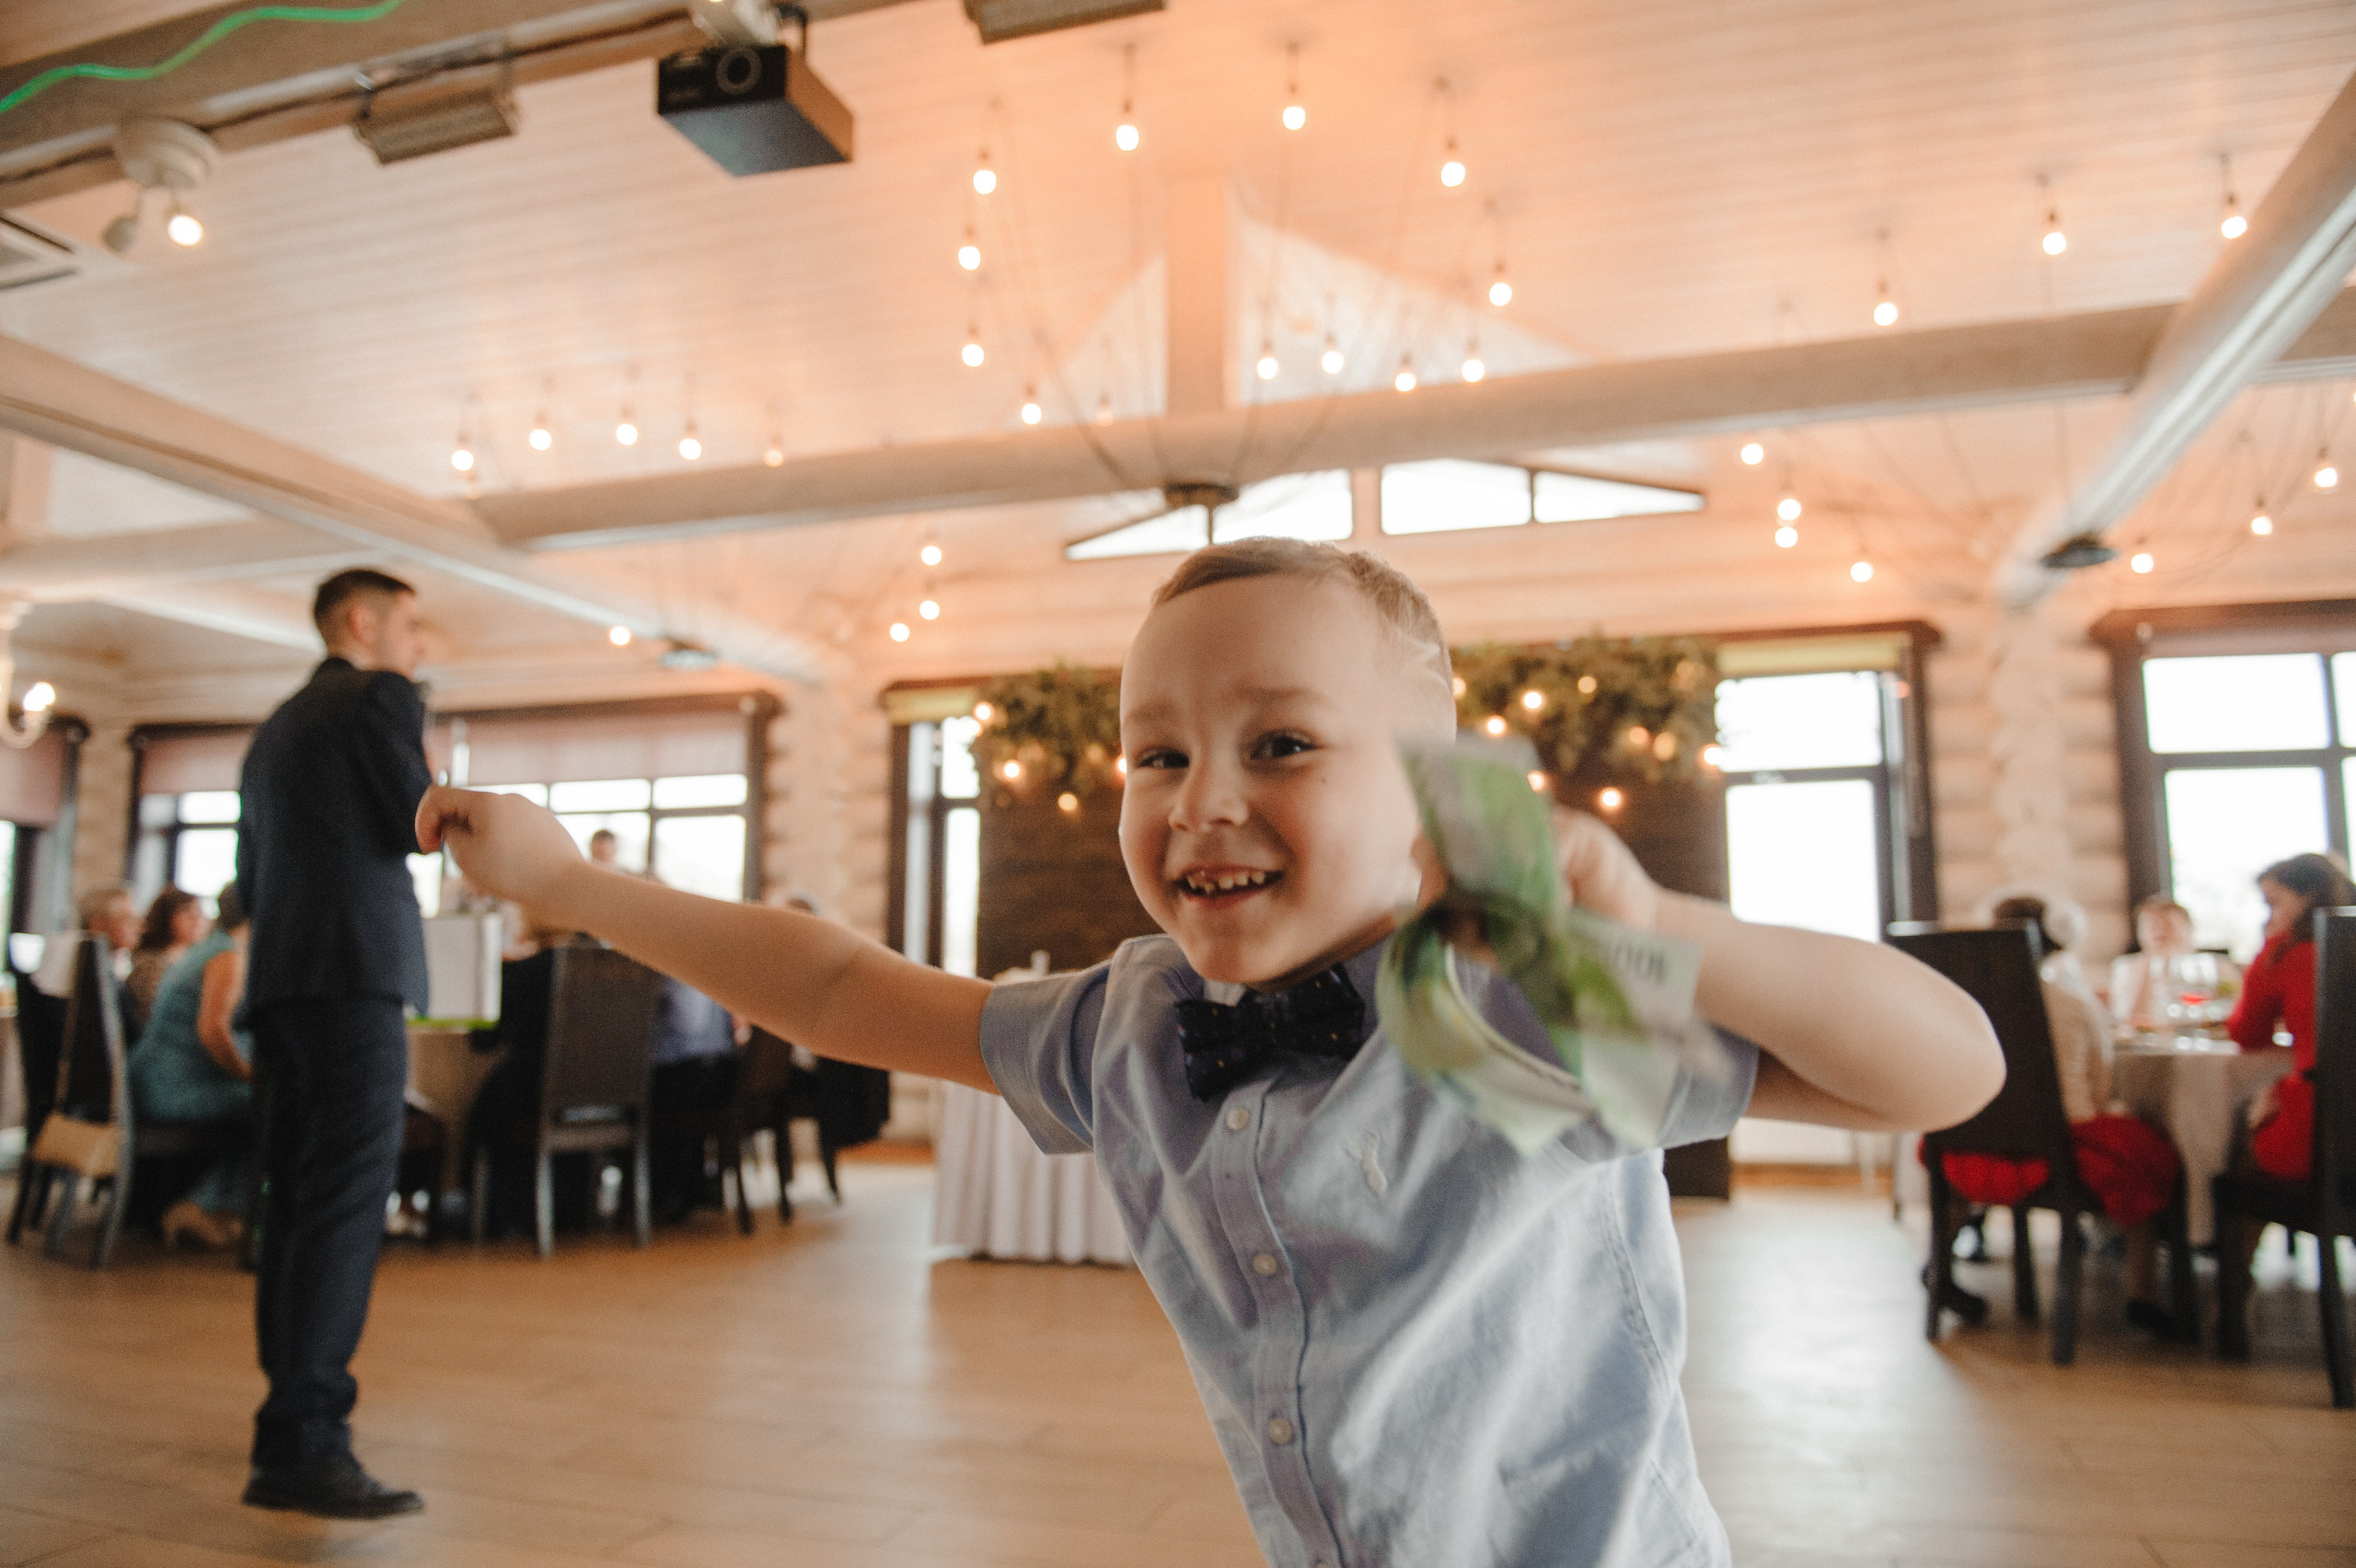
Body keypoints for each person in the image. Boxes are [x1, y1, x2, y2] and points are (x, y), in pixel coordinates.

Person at [417, 538, 2002, 1567]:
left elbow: (1946, 1071)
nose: (1199, 798)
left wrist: (1668, 921)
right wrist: (570, 885)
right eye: (1156, 753)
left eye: (1284, 741)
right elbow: (839, 986)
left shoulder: (1517, 1004)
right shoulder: (1127, 1026)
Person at [234, 568, 432, 1521]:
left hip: (281, 985)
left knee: (297, 1203)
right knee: (350, 1202)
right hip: (356, 974)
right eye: (409, 625)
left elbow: (247, 877)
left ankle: (289, 1429)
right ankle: (307, 1440)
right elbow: (416, 820)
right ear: (362, 621)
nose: (418, 646)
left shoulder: (273, 730)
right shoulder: (379, 696)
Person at [1970, 894, 2183, 1333]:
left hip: (1980, 1141)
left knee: (1960, 1142)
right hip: (2064, 1145)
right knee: (2147, 1155)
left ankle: (1942, 1261)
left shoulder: (1968, 1005)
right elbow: (2100, 1092)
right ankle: (2140, 1292)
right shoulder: (2075, 1007)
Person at [129, 885, 254, 1251]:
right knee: (275, 1107)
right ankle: (198, 1207)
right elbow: (212, 1032)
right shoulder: (227, 956)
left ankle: (220, 1210)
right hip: (172, 1086)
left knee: (267, 1106)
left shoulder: (207, 949)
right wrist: (250, 1075)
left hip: (153, 1079)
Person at [2232, 853, 2356, 1183]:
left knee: (2232, 1151)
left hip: (2325, 1129)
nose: (2269, 915)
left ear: (2308, 898)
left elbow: (2248, 1033)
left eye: (2275, 902)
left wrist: (2266, 953)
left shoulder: (2286, 951)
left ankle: (2205, 1235)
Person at [648, 975, 741, 1223]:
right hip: (716, 1070)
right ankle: (686, 1189)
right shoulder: (711, 965)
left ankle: (666, 1195)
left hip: (696, 1073)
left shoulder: (678, 971)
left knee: (651, 1093)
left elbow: (690, 1022)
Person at [2108, 894, 2238, 1031]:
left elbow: (2230, 1010)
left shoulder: (2216, 965)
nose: (2158, 931)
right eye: (2151, 925)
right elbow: (2126, 1019)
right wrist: (2149, 966)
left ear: (2188, 928)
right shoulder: (2126, 966)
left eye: (2167, 924)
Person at [128, 887, 207, 1026]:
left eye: (200, 912)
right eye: (187, 910)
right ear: (166, 916)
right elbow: (153, 1012)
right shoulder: (150, 963)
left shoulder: (198, 960)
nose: (196, 918)